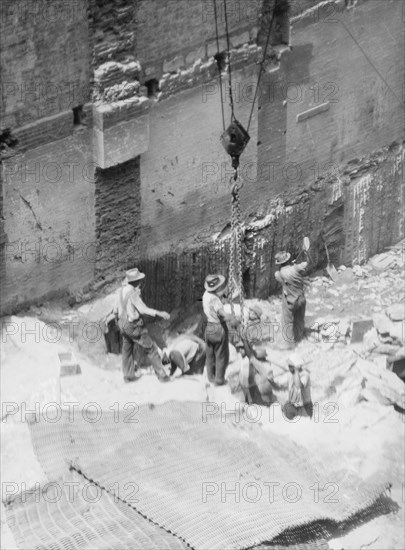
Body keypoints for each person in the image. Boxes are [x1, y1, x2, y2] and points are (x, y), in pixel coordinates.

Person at [113, 268, 171, 383]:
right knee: (151, 349)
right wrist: (160, 313)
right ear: (136, 282)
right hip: (134, 326)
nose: (141, 282)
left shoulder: (119, 291)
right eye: (139, 280)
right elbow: (143, 309)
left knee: (127, 350)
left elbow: (115, 310)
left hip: (123, 324)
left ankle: (128, 377)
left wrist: (119, 322)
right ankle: (162, 376)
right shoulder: (133, 294)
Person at [202, 274, 237, 386]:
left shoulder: (205, 295)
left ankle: (211, 377)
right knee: (222, 355)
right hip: (218, 328)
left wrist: (225, 295)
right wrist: (230, 317)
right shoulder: (215, 299)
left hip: (209, 328)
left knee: (210, 355)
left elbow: (216, 298)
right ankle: (219, 380)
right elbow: (221, 313)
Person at [274, 251, 309, 349]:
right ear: (288, 260)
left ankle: (289, 345)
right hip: (301, 299)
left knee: (287, 321)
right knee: (299, 319)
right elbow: (307, 263)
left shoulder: (279, 274)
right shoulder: (296, 268)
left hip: (291, 301)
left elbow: (278, 275)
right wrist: (305, 254)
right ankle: (299, 338)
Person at [237, 340, 277, 406]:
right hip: (268, 395)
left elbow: (251, 357)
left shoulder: (260, 366)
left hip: (262, 397)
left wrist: (244, 341)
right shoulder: (268, 364)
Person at [282, 352, 313, 419]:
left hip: (306, 408)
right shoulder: (292, 374)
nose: (289, 367)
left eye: (290, 366)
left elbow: (298, 386)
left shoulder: (305, 375)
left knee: (288, 409)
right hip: (297, 405)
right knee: (285, 407)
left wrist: (296, 370)